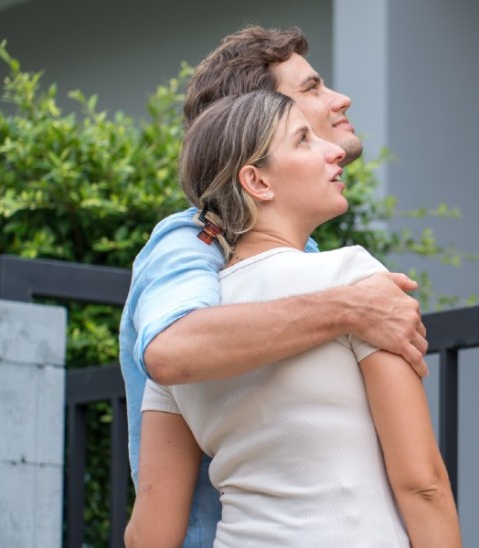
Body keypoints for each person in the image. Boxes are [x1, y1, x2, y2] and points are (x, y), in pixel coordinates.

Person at [118, 26, 429, 547]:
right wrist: (351, 305)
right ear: (252, 120)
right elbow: (171, 350)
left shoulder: (307, 258)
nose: (338, 99)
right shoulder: (191, 238)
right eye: (310, 89)